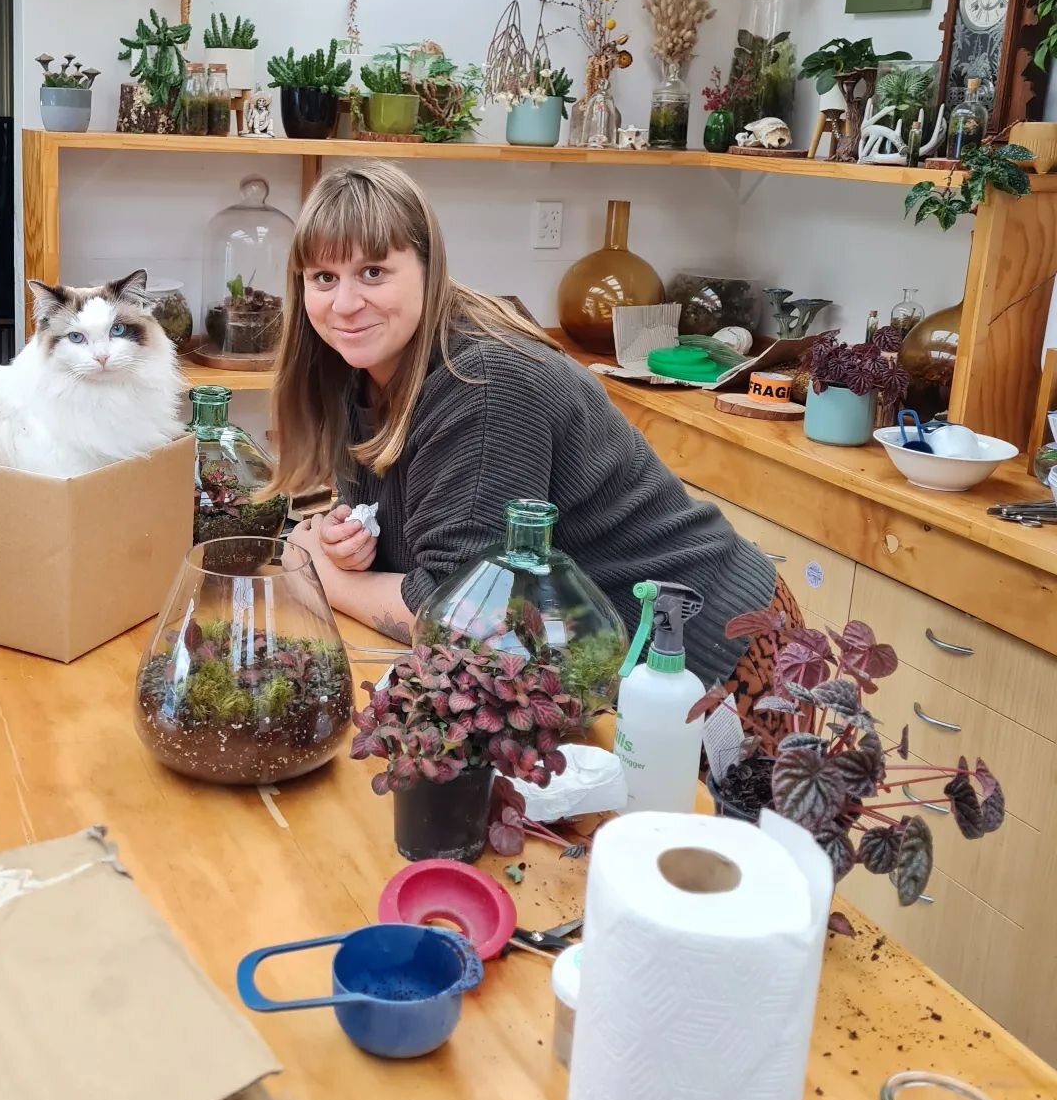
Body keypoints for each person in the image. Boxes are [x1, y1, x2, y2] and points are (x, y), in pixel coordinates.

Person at [274, 161, 799, 718]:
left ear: (429, 269)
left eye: (374, 272)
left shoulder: (482, 381)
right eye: (324, 278)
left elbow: (472, 622)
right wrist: (347, 539)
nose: (346, 303)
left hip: (710, 649)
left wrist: (320, 574)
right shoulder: (361, 368)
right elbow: (430, 538)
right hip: (585, 663)